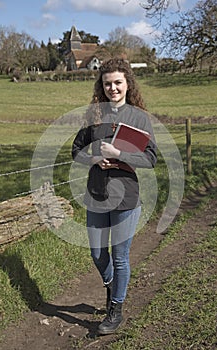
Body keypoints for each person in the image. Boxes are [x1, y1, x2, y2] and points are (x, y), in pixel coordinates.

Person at [72, 58, 157, 335]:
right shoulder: (93, 115)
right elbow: (76, 151)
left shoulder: (139, 118)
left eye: (118, 82)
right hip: (96, 194)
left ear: (127, 83)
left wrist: (119, 154)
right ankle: (111, 286)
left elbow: (151, 158)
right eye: (107, 83)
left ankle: (115, 309)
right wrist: (95, 158)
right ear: (102, 85)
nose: (113, 88)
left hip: (126, 198)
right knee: (98, 254)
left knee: (120, 258)